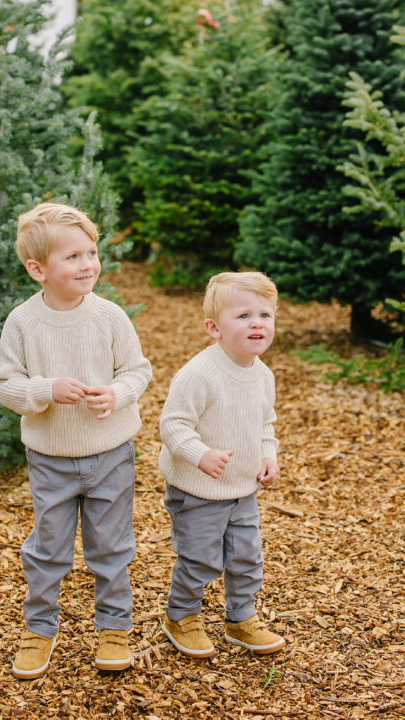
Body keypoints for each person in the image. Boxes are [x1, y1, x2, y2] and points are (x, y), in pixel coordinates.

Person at [0, 202, 152, 678]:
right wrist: (45, 390)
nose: (88, 265)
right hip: (51, 458)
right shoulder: (23, 322)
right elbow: (4, 384)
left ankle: (114, 626)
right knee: (49, 546)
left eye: (91, 253)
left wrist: (117, 394)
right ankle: (40, 627)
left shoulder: (110, 316)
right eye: (73, 257)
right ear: (37, 269)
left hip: (111, 454)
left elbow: (137, 370)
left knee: (111, 545)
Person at [158, 271, 285, 658]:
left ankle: (241, 617)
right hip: (199, 490)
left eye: (265, 314)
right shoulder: (200, 374)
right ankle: (181, 615)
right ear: (214, 328)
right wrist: (201, 453)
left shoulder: (262, 374)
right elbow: (173, 424)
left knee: (247, 555)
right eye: (243, 316)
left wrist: (268, 455)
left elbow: (265, 422)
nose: (257, 323)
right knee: (200, 557)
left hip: (242, 489)